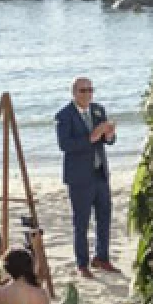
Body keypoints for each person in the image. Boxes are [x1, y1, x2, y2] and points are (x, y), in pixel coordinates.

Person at [55, 76, 118, 279]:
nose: (88, 94)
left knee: (104, 218)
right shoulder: (65, 115)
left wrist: (109, 136)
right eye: (83, 90)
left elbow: (109, 140)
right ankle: (82, 263)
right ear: (74, 93)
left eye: (90, 90)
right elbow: (65, 146)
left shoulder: (98, 110)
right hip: (80, 178)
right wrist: (90, 137)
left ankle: (102, 257)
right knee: (81, 222)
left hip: (99, 173)